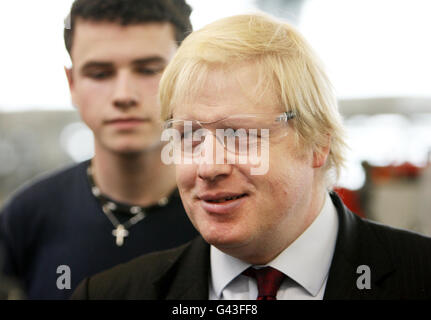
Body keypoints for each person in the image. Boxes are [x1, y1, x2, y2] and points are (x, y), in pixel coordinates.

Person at [71, 13, 431, 300]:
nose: (209, 166)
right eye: (188, 137)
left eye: (241, 135)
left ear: (318, 142)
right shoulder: (110, 294)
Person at [0, 0, 198, 300]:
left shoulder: (226, 214)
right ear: (72, 83)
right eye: (100, 73)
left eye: (148, 70)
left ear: (187, 75)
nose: (123, 95)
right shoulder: (25, 218)